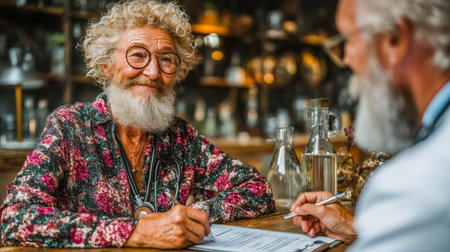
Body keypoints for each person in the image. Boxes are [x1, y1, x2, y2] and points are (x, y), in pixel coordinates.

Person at [0, 0, 274, 248]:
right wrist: (136, 232)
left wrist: (191, 216)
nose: (153, 72)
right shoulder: (70, 126)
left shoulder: (180, 137)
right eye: (137, 55)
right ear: (107, 64)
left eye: (166, 59)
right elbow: (15, 217)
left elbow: (257, 189)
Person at [291, 0, 450, 250]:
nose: (345, 59)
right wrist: (358, 227)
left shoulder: (420, 184)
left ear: (395, 38)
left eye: (349, 39)